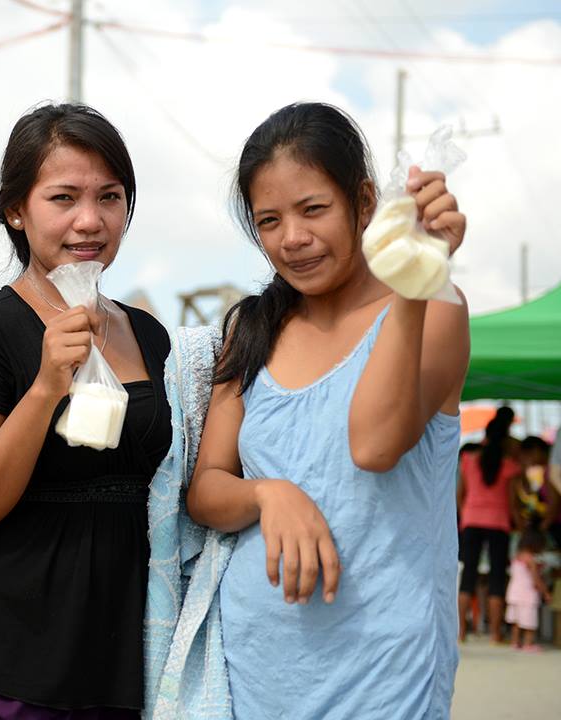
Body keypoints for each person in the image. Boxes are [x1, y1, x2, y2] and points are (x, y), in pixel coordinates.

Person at [166, 102, 468, 718]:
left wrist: (413, 282)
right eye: (269, 220)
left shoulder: (435, 308)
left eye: (313, 209)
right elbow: (207, 489)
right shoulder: (253, 329)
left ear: (364, 202)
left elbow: (374, 445)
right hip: (253, 674)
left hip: (386, 676)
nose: (292, 238)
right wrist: (268, 494)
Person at [0, 103, 171, 718]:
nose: (90, 220)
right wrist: (44, 388)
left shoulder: (149, 334)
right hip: (10, 664)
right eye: (63, 198)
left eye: (109, 197)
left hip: (128, 658)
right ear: (16, 209)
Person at [457, 416, 525, 642]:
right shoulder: (510, 465)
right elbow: (513, 504)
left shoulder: (468, 459)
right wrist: (522, 526)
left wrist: (466, 515)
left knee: (468, 575)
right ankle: (496, 634)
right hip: (498, 523)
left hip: (471, 521)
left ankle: (461, 633)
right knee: (497, 577)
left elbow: (460, 495)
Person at [506, 528, 552, 651]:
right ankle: (528, 643)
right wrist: (545, 592)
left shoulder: (517, 557)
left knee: (517, 621)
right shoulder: (531, 560)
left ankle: (515, 642)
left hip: (514, 593)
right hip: (527, 594)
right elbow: (536, 579)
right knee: (529, 621)